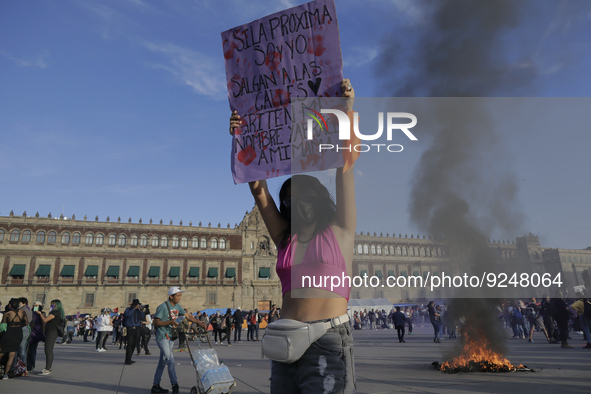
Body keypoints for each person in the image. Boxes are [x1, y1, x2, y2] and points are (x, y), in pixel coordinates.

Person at [229, 78, 357, 393]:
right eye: (291, 199)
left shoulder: (341, 230)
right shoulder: (285, 239)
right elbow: (259, 192)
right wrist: (240, 136)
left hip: (326, 339)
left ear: (320, 198)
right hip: (284, 337)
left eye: (307, 195)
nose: (299, 202)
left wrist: (346, 113)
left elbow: (345, 169)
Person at [150, 287, 206, 394]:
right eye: (178, 296)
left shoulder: (178, 306)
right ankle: (175, 386)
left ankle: (155, 386)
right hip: (162, 337)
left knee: (162, 362)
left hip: (171, 337)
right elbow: (156, 322)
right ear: (171, 296)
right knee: (171, 361)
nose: (180, 298)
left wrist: (199, 323)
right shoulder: (163, 307)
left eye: (180, 296)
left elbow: (188, 316)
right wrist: (170, 322)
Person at [0, 298, 28, 380]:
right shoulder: (23, 312)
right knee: (12, 354)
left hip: (9, 333)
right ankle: (6, 375)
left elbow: (3, 327)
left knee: (1, 352)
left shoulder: (7, 314)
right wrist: (19, 326)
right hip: (18, 333)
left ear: (10, 305)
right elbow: (26, 322)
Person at [36, 299, 64, 375]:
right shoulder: (60, 312)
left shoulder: (55, 312)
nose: (51, 306)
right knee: (48, 349)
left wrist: (40, 314)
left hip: (52, 332)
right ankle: (48, 368)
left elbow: (45, 320)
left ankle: (48, 368)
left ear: (55, 305)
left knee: (48, 350)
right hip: (53, 332)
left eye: (52, 304)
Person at [123, 299, 144, 365]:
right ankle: (127, 359)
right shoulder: (128, 309)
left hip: (137, 328)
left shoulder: (138, 311)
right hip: (130, 328)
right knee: (130, 344)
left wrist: (141, 311)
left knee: (134, 344)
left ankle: (130, 358)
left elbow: (142, 317)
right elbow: (127, 315)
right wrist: (134, 309)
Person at [27, 301, 46, 373]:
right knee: (26, 351)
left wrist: (44, 334)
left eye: (37, 305)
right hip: (29, 333)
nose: (35, 307)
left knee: (32, 351)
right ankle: (24, 365)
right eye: (34, 305)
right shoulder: (30, 313)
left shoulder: (42, 313)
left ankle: (30, 366)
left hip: (36, 334)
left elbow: (44, 323)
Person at [17, 297, 32, 366]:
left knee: (21, 349)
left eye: (19, 303)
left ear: (24, 303)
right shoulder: (29, 309)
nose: (18, 304)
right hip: (27, 328)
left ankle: (21, 365)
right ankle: (23, 365)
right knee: (23, 348)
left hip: (22, 328)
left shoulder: (22, 310)